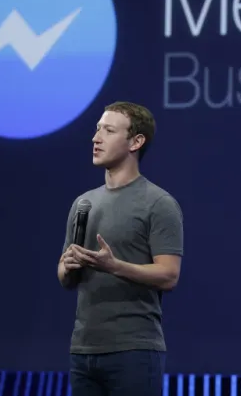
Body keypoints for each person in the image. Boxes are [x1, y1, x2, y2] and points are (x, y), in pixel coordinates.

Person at [57, 101, 184, 396]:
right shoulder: (83, 204)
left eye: (109, 131)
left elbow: (169, 275)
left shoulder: (158, 203)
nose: (96, 138)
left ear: (135, 142)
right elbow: (65, 277)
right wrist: (67, 266)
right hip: (83, 351)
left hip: (133, 351)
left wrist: (114, 266)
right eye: (97, 129)